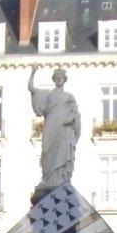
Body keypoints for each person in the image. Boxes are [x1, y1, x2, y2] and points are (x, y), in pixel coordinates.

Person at [28, 64, 80, 192]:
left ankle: (61, 177)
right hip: (50, 126)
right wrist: (33, 73)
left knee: (62, 152)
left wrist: (72, 120)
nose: (58, 79)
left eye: (61, 77)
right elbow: (31, 89)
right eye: (56, 77)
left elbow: (75, 114)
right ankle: (48, 178)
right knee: (46, 151)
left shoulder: (69, 97)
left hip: (63, 128)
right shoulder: (47, 95)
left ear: (64, 79)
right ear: (54, 79)